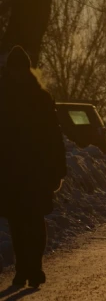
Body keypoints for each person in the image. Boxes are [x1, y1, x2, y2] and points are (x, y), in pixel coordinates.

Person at [0, 46, 66, 287]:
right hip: (13, 171)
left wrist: (58, 168)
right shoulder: (28, 97)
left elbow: (53, 135)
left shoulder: (39, 98)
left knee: (33, 219)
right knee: (20, 222)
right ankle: (23, 268)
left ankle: (34, 267)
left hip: (30, 170)